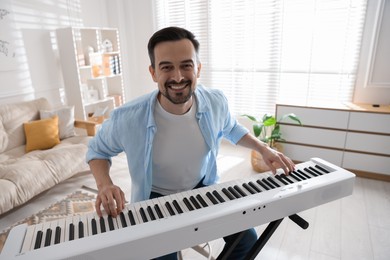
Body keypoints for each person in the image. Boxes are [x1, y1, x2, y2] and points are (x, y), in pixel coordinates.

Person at [86, 26, 295, 260]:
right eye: (166, 67)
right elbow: (97, 151)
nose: (177, 77)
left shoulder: (216, 102)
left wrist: (262, 148)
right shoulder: (127, 118)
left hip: (202, 187)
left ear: (198, 69)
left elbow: (231, 128)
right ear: (153, 73)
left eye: (186, 65)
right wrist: (105, 185)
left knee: (246, 241)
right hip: (154, 197)